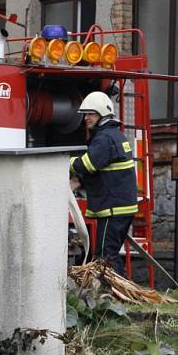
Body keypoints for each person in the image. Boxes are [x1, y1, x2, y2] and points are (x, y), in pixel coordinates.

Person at [69, 91, 137, 276]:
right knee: (108, 254)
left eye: (90, 114)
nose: (86, 118)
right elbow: (102, 169)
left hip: (113, 208)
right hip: (119, 207)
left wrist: (64, 164)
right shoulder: (113, 135)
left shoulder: (105, 138)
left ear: (102, 114)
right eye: (85, 114)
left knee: (105, 256)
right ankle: (115, 296)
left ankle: (116, 297)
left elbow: (88, 164)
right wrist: (79, 181)